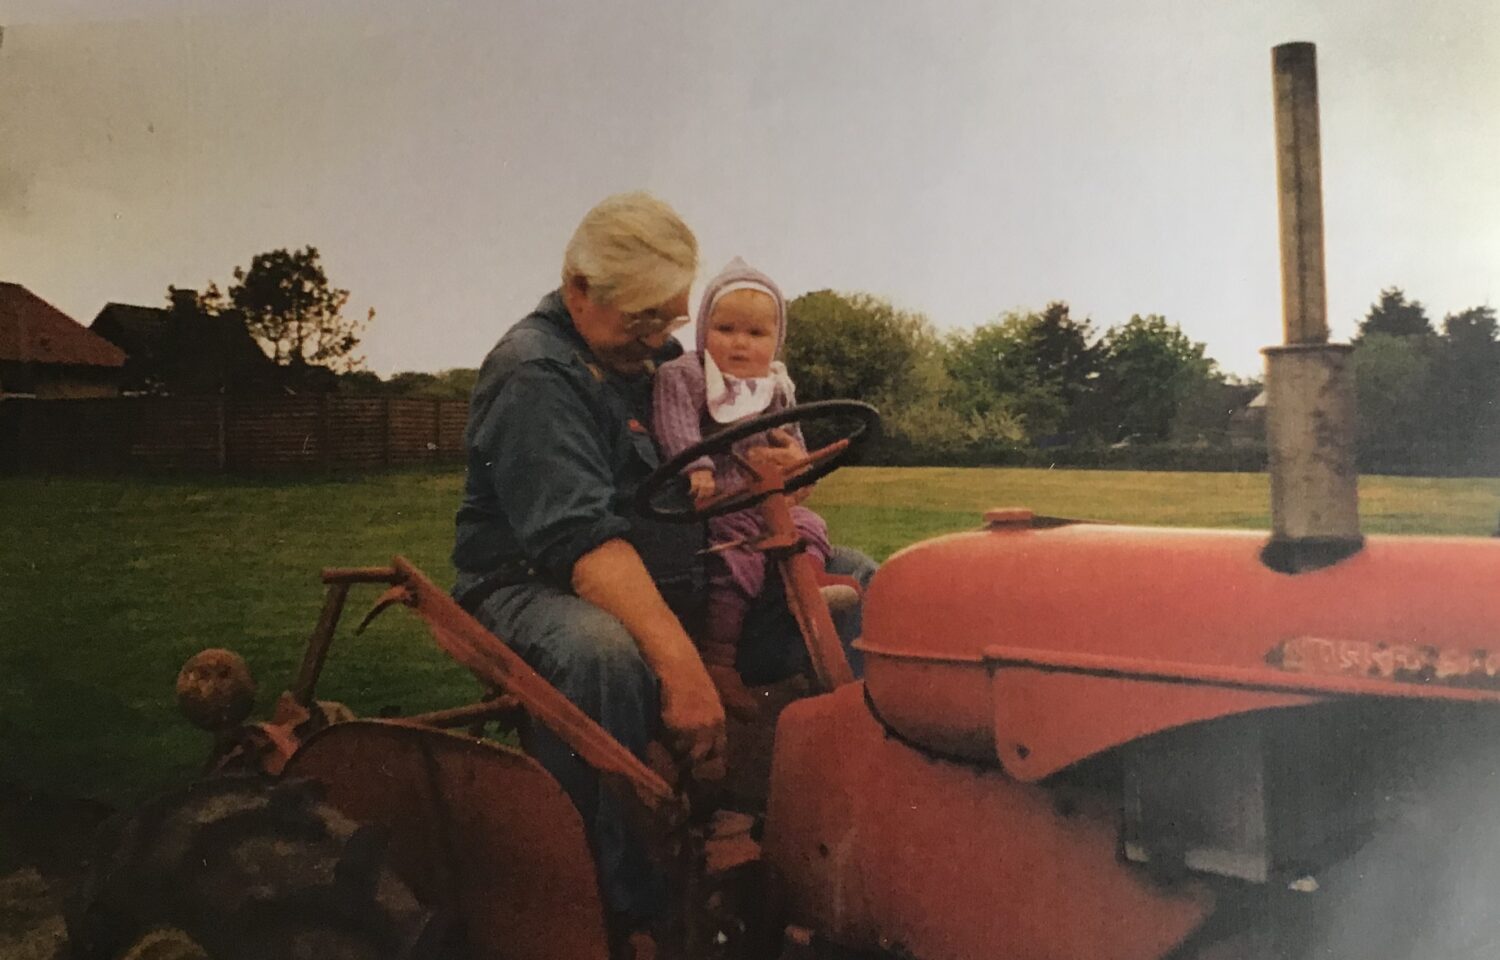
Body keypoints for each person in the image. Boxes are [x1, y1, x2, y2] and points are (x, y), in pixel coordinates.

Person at [451, 192, 876, 946]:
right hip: (530, 585)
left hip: (681, 564)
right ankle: (624, 907)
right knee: (603, 653)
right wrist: (684, 669)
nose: (660, 342)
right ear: (578, 289)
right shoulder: (537, 376)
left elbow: (716, 446)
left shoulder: (655, 360)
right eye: (642, 320)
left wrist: (775, 466)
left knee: (865, 581)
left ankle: (835, 836)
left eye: (671, 319)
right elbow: (581, 546)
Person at [651, 257, 843, 718]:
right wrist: (697, 467)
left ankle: (809, 587)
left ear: (775, 340)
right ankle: (719, 657)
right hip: (721, 502)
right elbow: (674, 423)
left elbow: (791, 436)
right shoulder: (688, 375)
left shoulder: (774, 387)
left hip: (768, 499)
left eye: (755, 334)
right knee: (736, 565)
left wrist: (799, 468)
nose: (739, 344)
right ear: (703, 332)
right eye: (726, 329)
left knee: (811, 527)